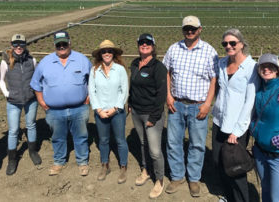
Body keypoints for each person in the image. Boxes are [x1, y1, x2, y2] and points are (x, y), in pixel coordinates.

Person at [163, 16, 218, 197]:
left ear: (200, 29)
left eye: (193, 28)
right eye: (186, 28)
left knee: (197, 144)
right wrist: (168, 95)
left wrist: (207, 103)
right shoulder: (173, 49)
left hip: (198, 106)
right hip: (176, 104)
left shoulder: (209, 51)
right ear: (182, 29)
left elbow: (213, 79)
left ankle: (193, 179)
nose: (189, 31)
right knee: (173, 142)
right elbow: (167, 73)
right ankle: (177, 176)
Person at [30, 31, 91, 176]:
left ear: (70, 43)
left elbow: (92, 80)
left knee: (81, 136)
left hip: (79, 108)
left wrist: (89, 97)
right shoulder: (45, 62)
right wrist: (41, 100)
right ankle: (59, 162)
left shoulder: (82, 60)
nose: (62, 47)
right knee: (57, 137)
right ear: (55, 45)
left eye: (64, 43)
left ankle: (82, 162)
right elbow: (35, 83)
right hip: (54, 110)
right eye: (59, 44)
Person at [212, 28, 259, 202]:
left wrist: (237, 131)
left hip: (236, 127)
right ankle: (228, 196)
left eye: (233, 43)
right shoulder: (222, 63)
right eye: (225, 43)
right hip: (219, 120)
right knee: (218, 161)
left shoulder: (251, 67)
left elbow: (250, 101)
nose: (229, 46)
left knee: (235, 166)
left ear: (241, 44)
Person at [250, 54, 279, 202]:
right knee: (266, 192)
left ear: (277, 69)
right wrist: (254, 130)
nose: (266, 69)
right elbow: (256, 117)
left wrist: (277, 141)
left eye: (270, 66)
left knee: (277, 198)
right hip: (261, 152)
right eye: (263, 66)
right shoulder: (260, 91)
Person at [128, 33, 167, 198]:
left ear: (153, 46)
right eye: (142, 43)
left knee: (155, 150)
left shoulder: (158, 67)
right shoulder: (135, 63)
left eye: (148, 43)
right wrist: (130, 103)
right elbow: (133, 86)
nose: (144, 45)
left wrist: (153, 117)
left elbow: (161, 95)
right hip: (136, 112)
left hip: (151, 114)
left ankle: (160, 180)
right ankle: (146, 170)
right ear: (138, 45)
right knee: (143, 143)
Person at [0, 34, 41, 176]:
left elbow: (36, 78)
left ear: (25, 45)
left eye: (21, 44)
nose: (19, 47)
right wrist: (7, 94)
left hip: (30, 99)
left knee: (31, 125)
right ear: (11, 45)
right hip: (13, 102)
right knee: (13, 130)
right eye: (16, 44)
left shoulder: (32, 60)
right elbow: (1, 81)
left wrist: (35, 92)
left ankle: (33, 151)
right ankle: (12, 159)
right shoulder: (5, 61)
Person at [89, 40, 128, 184]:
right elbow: (91, 91)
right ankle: (105, 165)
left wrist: (115, 108)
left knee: (120, 140)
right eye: (104, 51)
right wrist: (98, 109)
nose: (107, 54)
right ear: (100, 54)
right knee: (103, 140)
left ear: (114, 53)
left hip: (117, 112)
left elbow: (124, 90)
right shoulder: (94, 70)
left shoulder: (120, 70)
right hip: (101, 112)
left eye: (109, 51)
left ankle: (123, 166)